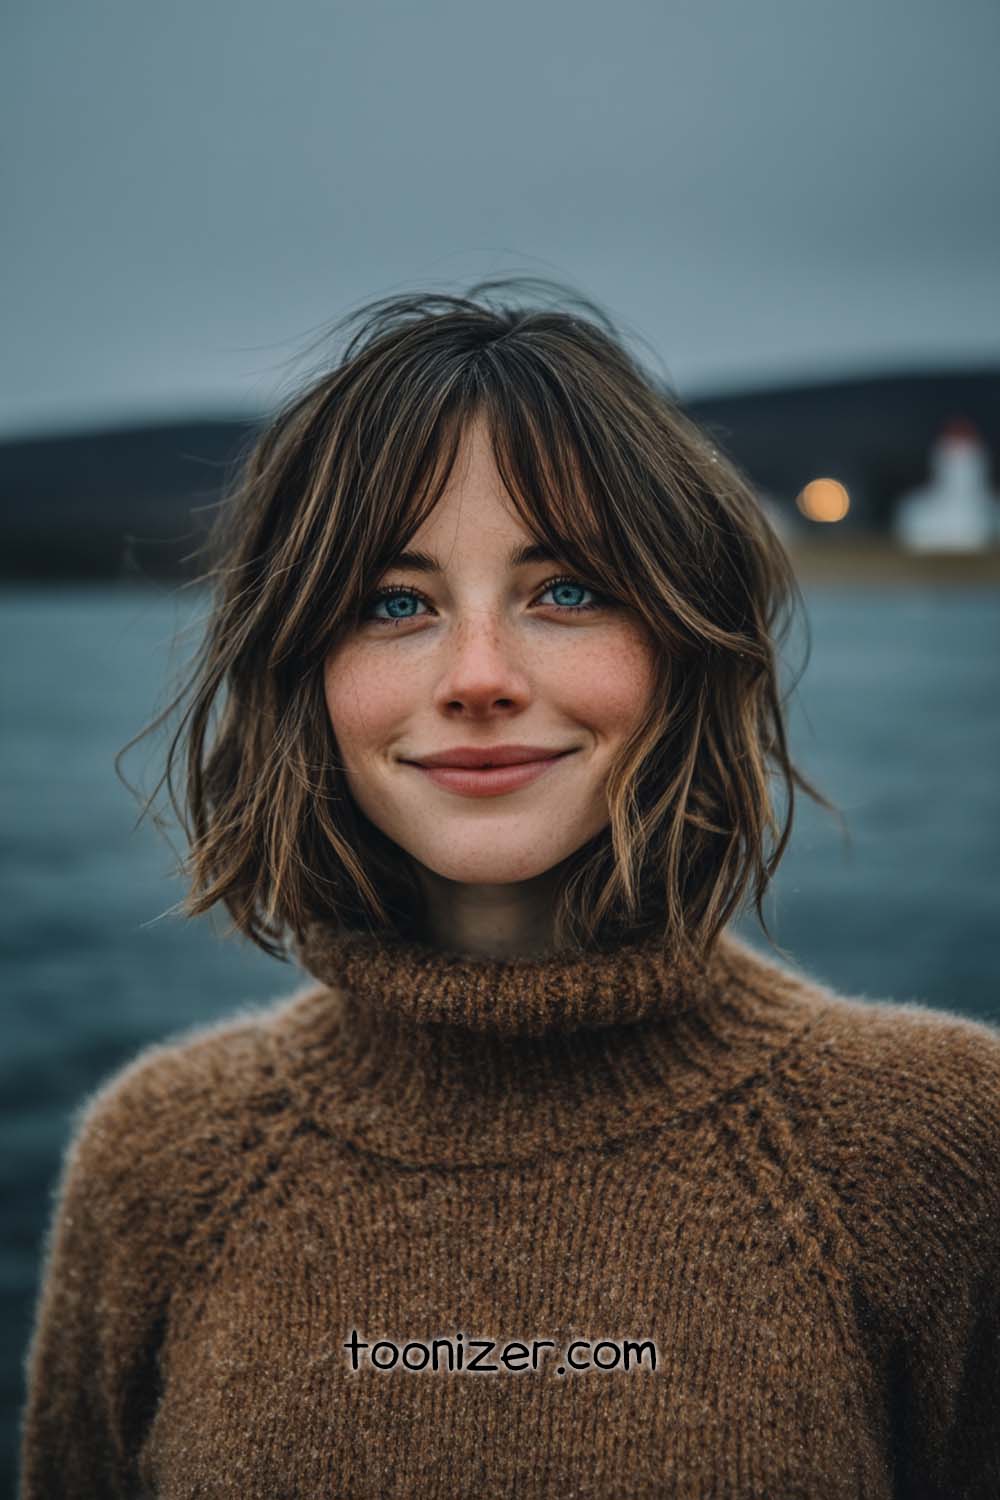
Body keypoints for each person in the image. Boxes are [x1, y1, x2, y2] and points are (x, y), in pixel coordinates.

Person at [18, 278, 1000, 1499]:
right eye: (394, 603)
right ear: (300, 669)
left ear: (685, 642)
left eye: (567, 591)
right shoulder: (160, 1161)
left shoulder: (941, 1141)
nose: (478, 676)